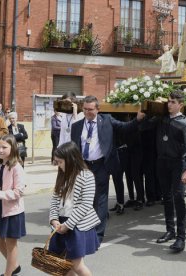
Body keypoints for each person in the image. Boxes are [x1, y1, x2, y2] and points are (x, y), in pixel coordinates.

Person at [71, 95, 145, 243]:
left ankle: (98, 235)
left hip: (101, 165)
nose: (87, 112)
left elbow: (125, 128)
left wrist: (137, 119)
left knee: (100, 199)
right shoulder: (77, 126)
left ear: (98, 109)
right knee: (86, 200)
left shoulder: (107, 120)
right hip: (84, 166)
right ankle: (86, 229)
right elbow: (73, 148)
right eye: (85, 109)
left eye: (90, 109)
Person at [142, 91, 186, 253]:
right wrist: (144, 113)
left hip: (178, 163)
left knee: (178, 198)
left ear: (180, 105)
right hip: (162, 162)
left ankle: (181, 237)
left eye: (172, 102)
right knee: (167, 197)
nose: (169, 104)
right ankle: (170, 230)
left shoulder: (183, 123)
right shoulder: (161, 118)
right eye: (168, 101)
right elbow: (143, 127)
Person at [48, 142, 100, 276]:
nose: (58, 165)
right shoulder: (62, 174)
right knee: (62, 264)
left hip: (77, 224)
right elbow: (54, 199)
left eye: (60, 162)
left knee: (76, 265)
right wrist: (54, 219)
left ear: (70, 159)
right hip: (60, 222)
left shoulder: (86, 176)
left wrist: (68, 224)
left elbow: (86, 204)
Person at [0, 135, 26, 276]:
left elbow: (19, 191)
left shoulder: (16, 167)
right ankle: (14, 266)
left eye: (4, 147)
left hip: (12, 210)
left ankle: (8, 273)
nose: (0, 150)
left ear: (12, 148)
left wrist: (2, 194)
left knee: (11, 243)